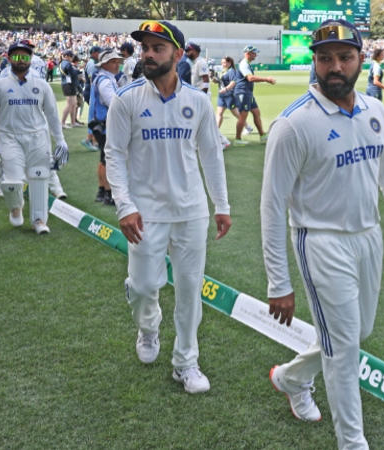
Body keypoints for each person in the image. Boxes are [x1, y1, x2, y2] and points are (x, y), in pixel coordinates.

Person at [261, 19, 384, 449]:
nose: (334, 66)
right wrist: (278, 282)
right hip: (319, 241)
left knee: (355, 336)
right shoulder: (293, 124)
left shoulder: (375, 111)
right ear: (314, 63)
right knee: (343, 352)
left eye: (344, 57)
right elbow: (271, 205)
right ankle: (353, 443)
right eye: (324, 58)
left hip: (368, 238)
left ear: (361, 59)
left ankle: (290, 378)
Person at [105, 20, 232, 394]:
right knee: (144, 287)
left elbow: (211, 155)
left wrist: (220, 204)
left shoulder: (197, 101)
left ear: (178, 54)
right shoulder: (127, 99)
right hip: (145, 214)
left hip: (191, 211)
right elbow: (113, 154)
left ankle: (186, 362)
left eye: (157, 48)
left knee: (191, 289)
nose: (147, 54)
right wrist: (124, 205)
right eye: (144, 48)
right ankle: (148, 328)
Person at [0, 41, 68, 235]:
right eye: (18, 56)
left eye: (26, 56)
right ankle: (16, 207)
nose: (22, 60)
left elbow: (53, 115)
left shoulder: (41, 84)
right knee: (12, 180)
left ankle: (39, 221)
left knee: (40, 178)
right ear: (9, 58)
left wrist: (60, 140)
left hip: (37, 136)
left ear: (31, 58)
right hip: (9, 136)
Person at [89, 49, 123, 205]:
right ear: (105, 64)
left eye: (117, 61)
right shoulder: (105, 80)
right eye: (113, 62)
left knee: (104, 159)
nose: (117, 64)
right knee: (109, 160)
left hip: (102, 124)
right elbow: (113, 103)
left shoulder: (104, 78)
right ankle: (109, 193)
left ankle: (103, 191)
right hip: (106, 125)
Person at [232, 45, 275, 146]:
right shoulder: (243, 64)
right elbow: (250, 78)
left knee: (256, 112)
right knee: (243, 116)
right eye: (254, 53)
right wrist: (266, 79)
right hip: (243, 92)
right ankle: (237, 139)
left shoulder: (247, 64)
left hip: (248, 93)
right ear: (248, 53)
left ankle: (262, 135)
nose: (256, 55)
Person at [59, 51, 80, 128]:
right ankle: (62, 123)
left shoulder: (64, 63)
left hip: (69, 84)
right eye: (71, 56)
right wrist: (78, 70)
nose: (72, 58)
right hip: (68, 85)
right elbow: (73, 73)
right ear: (67, 56)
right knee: (70, 104)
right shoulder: (66, 63)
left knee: (74, 104)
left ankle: (73, 122)